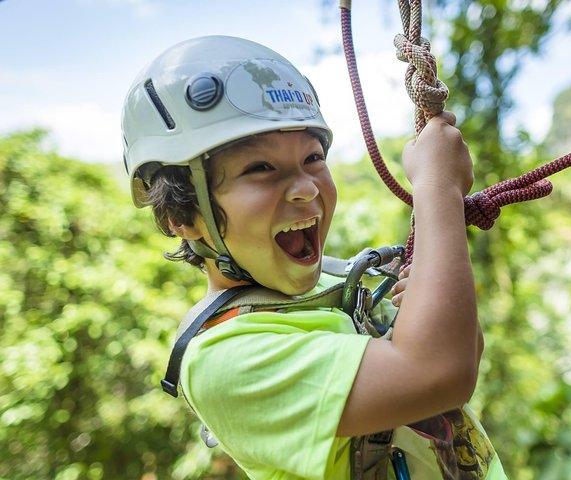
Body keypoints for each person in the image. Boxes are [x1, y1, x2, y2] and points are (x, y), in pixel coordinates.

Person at [122, 35, 506, 479]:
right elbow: (442, 373)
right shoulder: (226, 361)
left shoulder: (334, 285)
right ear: (182, 216)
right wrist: (440, 189)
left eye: (313, 158)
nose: (306, 187)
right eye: (260, 168)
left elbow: (463, 348)